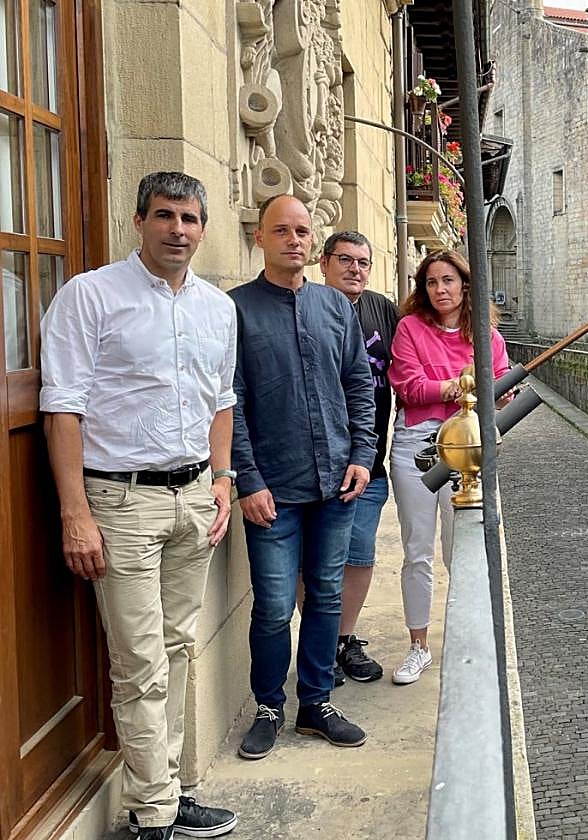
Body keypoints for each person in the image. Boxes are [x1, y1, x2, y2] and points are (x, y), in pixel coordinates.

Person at [40, 172, 238, 840]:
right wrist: (75, 513)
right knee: (140, 662)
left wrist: (222, 478)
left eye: (188, 218)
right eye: (164, 215)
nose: (177, 230)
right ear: (138, 220)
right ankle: (152, 814)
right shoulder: (90, 296)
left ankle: (175, 793)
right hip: (119, 503)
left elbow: (221, 400)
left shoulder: (217, 307)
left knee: (179, 650)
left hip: (192, 499)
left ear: (204, 228)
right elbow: (60, 408)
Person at [231, 195, 377, 760]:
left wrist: (363, 454)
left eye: (302, 231)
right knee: (271, 605)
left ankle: (315, 703)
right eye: (281, 230)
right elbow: (232, 401)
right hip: (273, 489)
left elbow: (360, 387)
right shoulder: (237, 309)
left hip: (337, 484)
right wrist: (247, 478)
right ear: (259, 237)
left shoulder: (336, 308)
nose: (294, 240)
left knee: (325, 597)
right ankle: (269, 705)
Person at [388, 249, 511, 685]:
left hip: (468, 449)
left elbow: (500, 389)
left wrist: (492, 395)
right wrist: (462, 386)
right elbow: (410, 387)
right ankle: (418, 646)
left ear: (465, 285)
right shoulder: (409, 329)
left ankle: (466, 639)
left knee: (463, 549)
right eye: (432, 282)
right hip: (417, 448)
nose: (440, 289)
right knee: (417, 549)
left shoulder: (487, 336)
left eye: (448, 281)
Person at [319, 231, 398, 684]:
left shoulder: (381, 310)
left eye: (364, 262)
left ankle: (342, 640)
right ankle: (320, 641)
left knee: (359, 555)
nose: (355, 269)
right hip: (316, 462)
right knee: (316, 563)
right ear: (325, 263)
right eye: (345, 260)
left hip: (368, 462)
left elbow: (413, 359)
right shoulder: (308, 306)